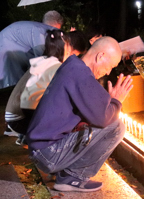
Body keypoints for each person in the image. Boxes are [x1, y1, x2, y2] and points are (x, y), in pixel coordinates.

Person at [27, 36, 133, 192]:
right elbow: (104, 119)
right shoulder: (80, 73)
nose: (108, 72)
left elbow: (92, 112)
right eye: (110, 66)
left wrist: (109, 105)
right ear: (100, 56)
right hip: (48, 153)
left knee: (103, 122)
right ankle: (73, 177)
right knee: (116, 126)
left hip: (41, 150)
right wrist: (117, 102)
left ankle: (68, 174)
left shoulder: (73, 66)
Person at [4, 29, 88, 144]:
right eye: (74, 54)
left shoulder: (45, 60)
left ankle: (28, 136)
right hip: (19, 119)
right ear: (67, 48)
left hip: (14, 116)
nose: (73, 58)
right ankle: (39, 141)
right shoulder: (54, 67)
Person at [0, 10, 63, 89]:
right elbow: (43, 60)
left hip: (7, 45)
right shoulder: (42, 33)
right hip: (7, 51)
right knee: (13, 86)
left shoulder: (37, 28)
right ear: (55, 25)